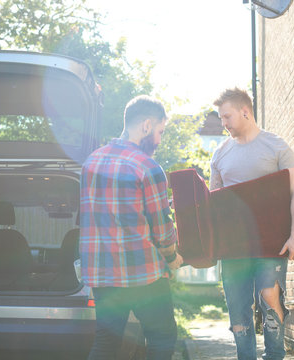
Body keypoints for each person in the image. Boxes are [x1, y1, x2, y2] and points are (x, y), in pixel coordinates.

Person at [80, 95, 184, 360]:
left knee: (106, 342)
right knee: (162, 336)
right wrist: (172, 257)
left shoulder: (90, 163)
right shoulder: (148, 167)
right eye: (160, 131)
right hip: (143, 273)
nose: (159, 140)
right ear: (147, 126)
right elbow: (162, 230)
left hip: (103, 274)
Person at [210, 87, 294, 360]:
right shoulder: (219, 154)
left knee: (269, 298)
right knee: (238, 310)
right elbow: (214, 203)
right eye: (221, 118)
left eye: (227, 116)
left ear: (245, 111)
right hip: (233, 248)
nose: (223, 123)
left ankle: (275, 356)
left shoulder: (276, 146)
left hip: (271, 244)